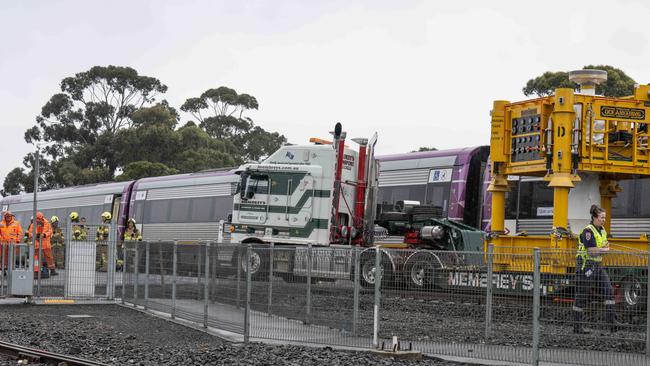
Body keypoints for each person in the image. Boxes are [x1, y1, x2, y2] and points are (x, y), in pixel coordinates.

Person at [573, 204, 619, 334]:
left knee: (608, 291)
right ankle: (577, 327)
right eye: (601, 217)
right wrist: (604, 250)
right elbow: (592, 251)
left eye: (605, 217)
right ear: (594, 217)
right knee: (582, 296)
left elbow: (601, 247)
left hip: (597, 266)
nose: (604, 220)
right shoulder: (588, 231)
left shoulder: (603, 230)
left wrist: (603, 249)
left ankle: (612, 323)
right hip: (585, 266)